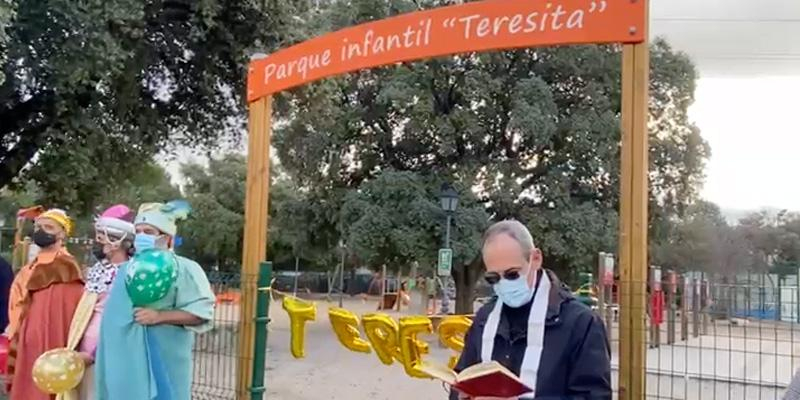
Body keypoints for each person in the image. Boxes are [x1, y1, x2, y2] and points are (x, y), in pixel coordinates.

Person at [450, 220, 612, 400]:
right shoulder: (484, 319)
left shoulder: (582, 323)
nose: (504, 283)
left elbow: (594, 396)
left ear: (535, 259)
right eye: (493, 278)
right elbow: (462, 378)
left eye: (512, 274)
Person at [94, 200, 215, 400]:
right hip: (125, 365)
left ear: (167, 238)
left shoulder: (185, 269)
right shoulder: (126, 269)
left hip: (165, 359)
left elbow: (202, 313)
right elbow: (113, 320)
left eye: (149, 232)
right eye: (138, 231)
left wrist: (160, 316)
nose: (141, 237)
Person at [6, 209, 85, 400]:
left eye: (49, 227)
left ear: (62, 234)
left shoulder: (66, 267)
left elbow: (65, 310)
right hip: (25, 335)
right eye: (39, 227)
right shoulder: (30, 266)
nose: (42, 231)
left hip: (49, 335)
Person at [61, 205, 136, 400]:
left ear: (116, 241)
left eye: (101, 238)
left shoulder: (130, 273)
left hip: (109, 349)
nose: (97, 242)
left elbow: (120, 316)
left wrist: (94, 352)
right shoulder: (98, 269)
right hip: (85, 343)